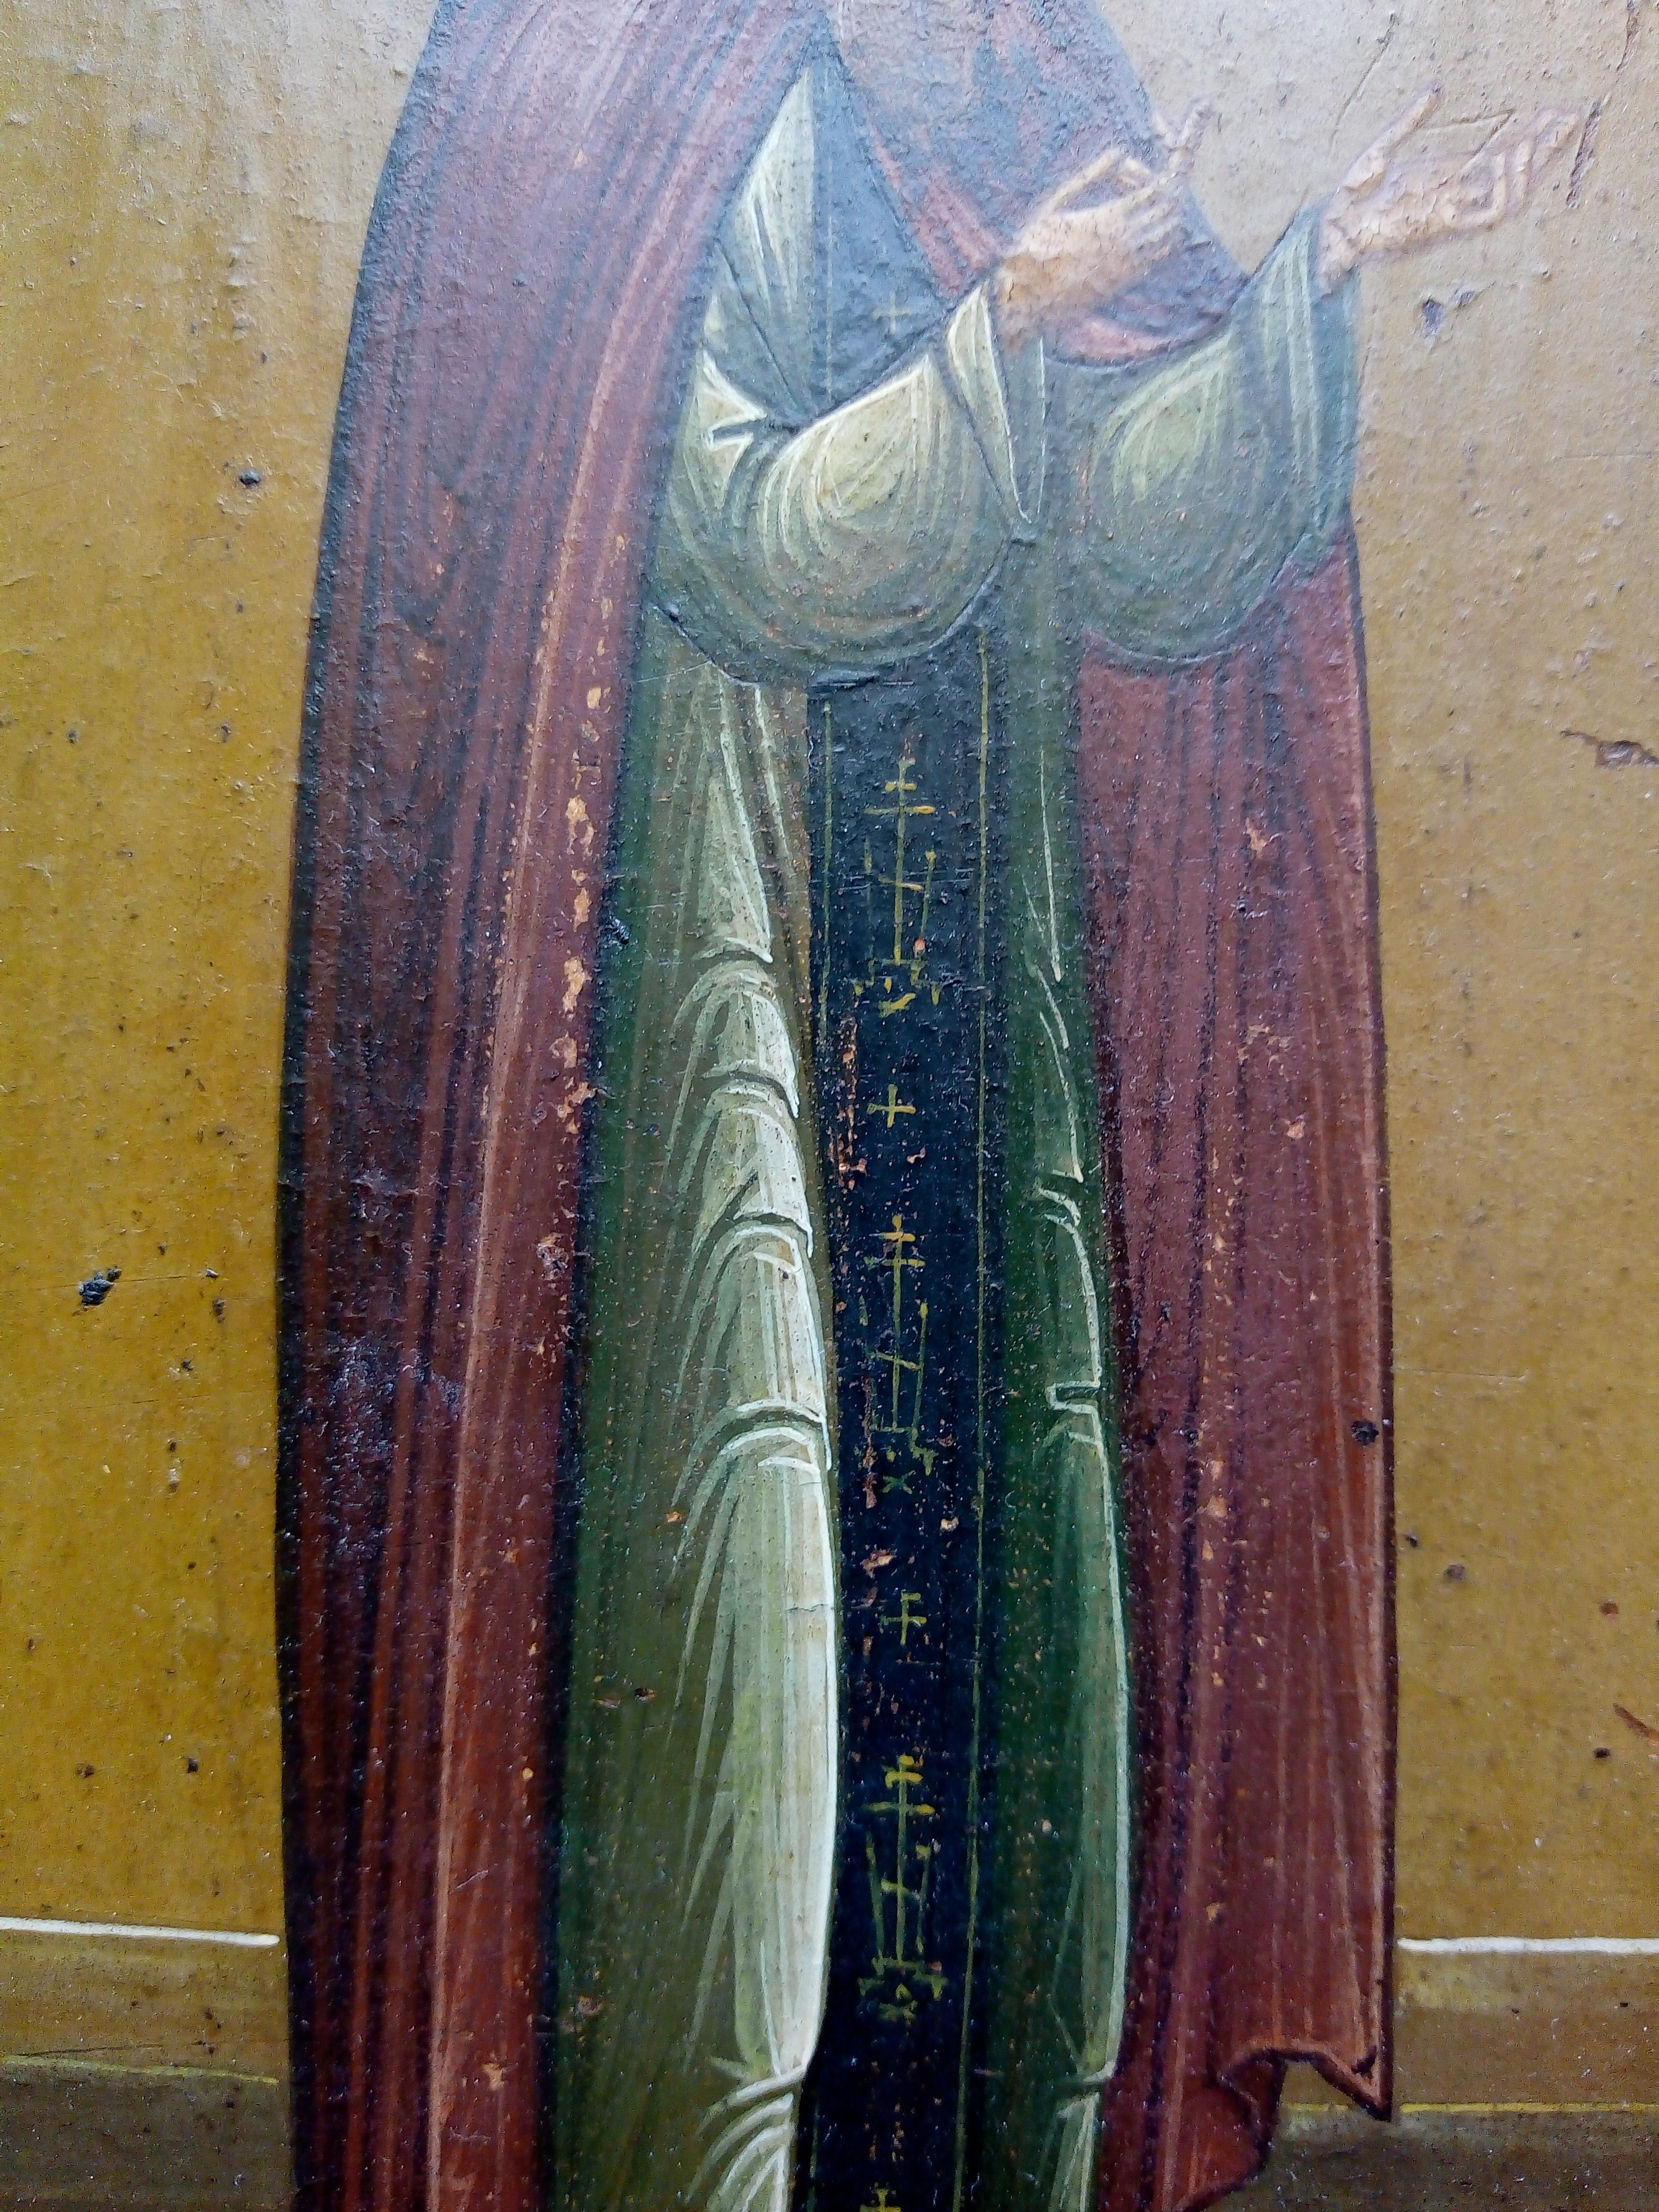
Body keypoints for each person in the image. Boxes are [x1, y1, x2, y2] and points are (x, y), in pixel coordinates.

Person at [276, 5, 1577, 2209]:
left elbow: (1141, 548)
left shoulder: (1004, 62)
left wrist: (1315, 274)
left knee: (1002, 1683)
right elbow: (739, 539)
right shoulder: (594, 77)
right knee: (736, 1674)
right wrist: (1007, 327)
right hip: (712, 1020)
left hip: (975, 1008)